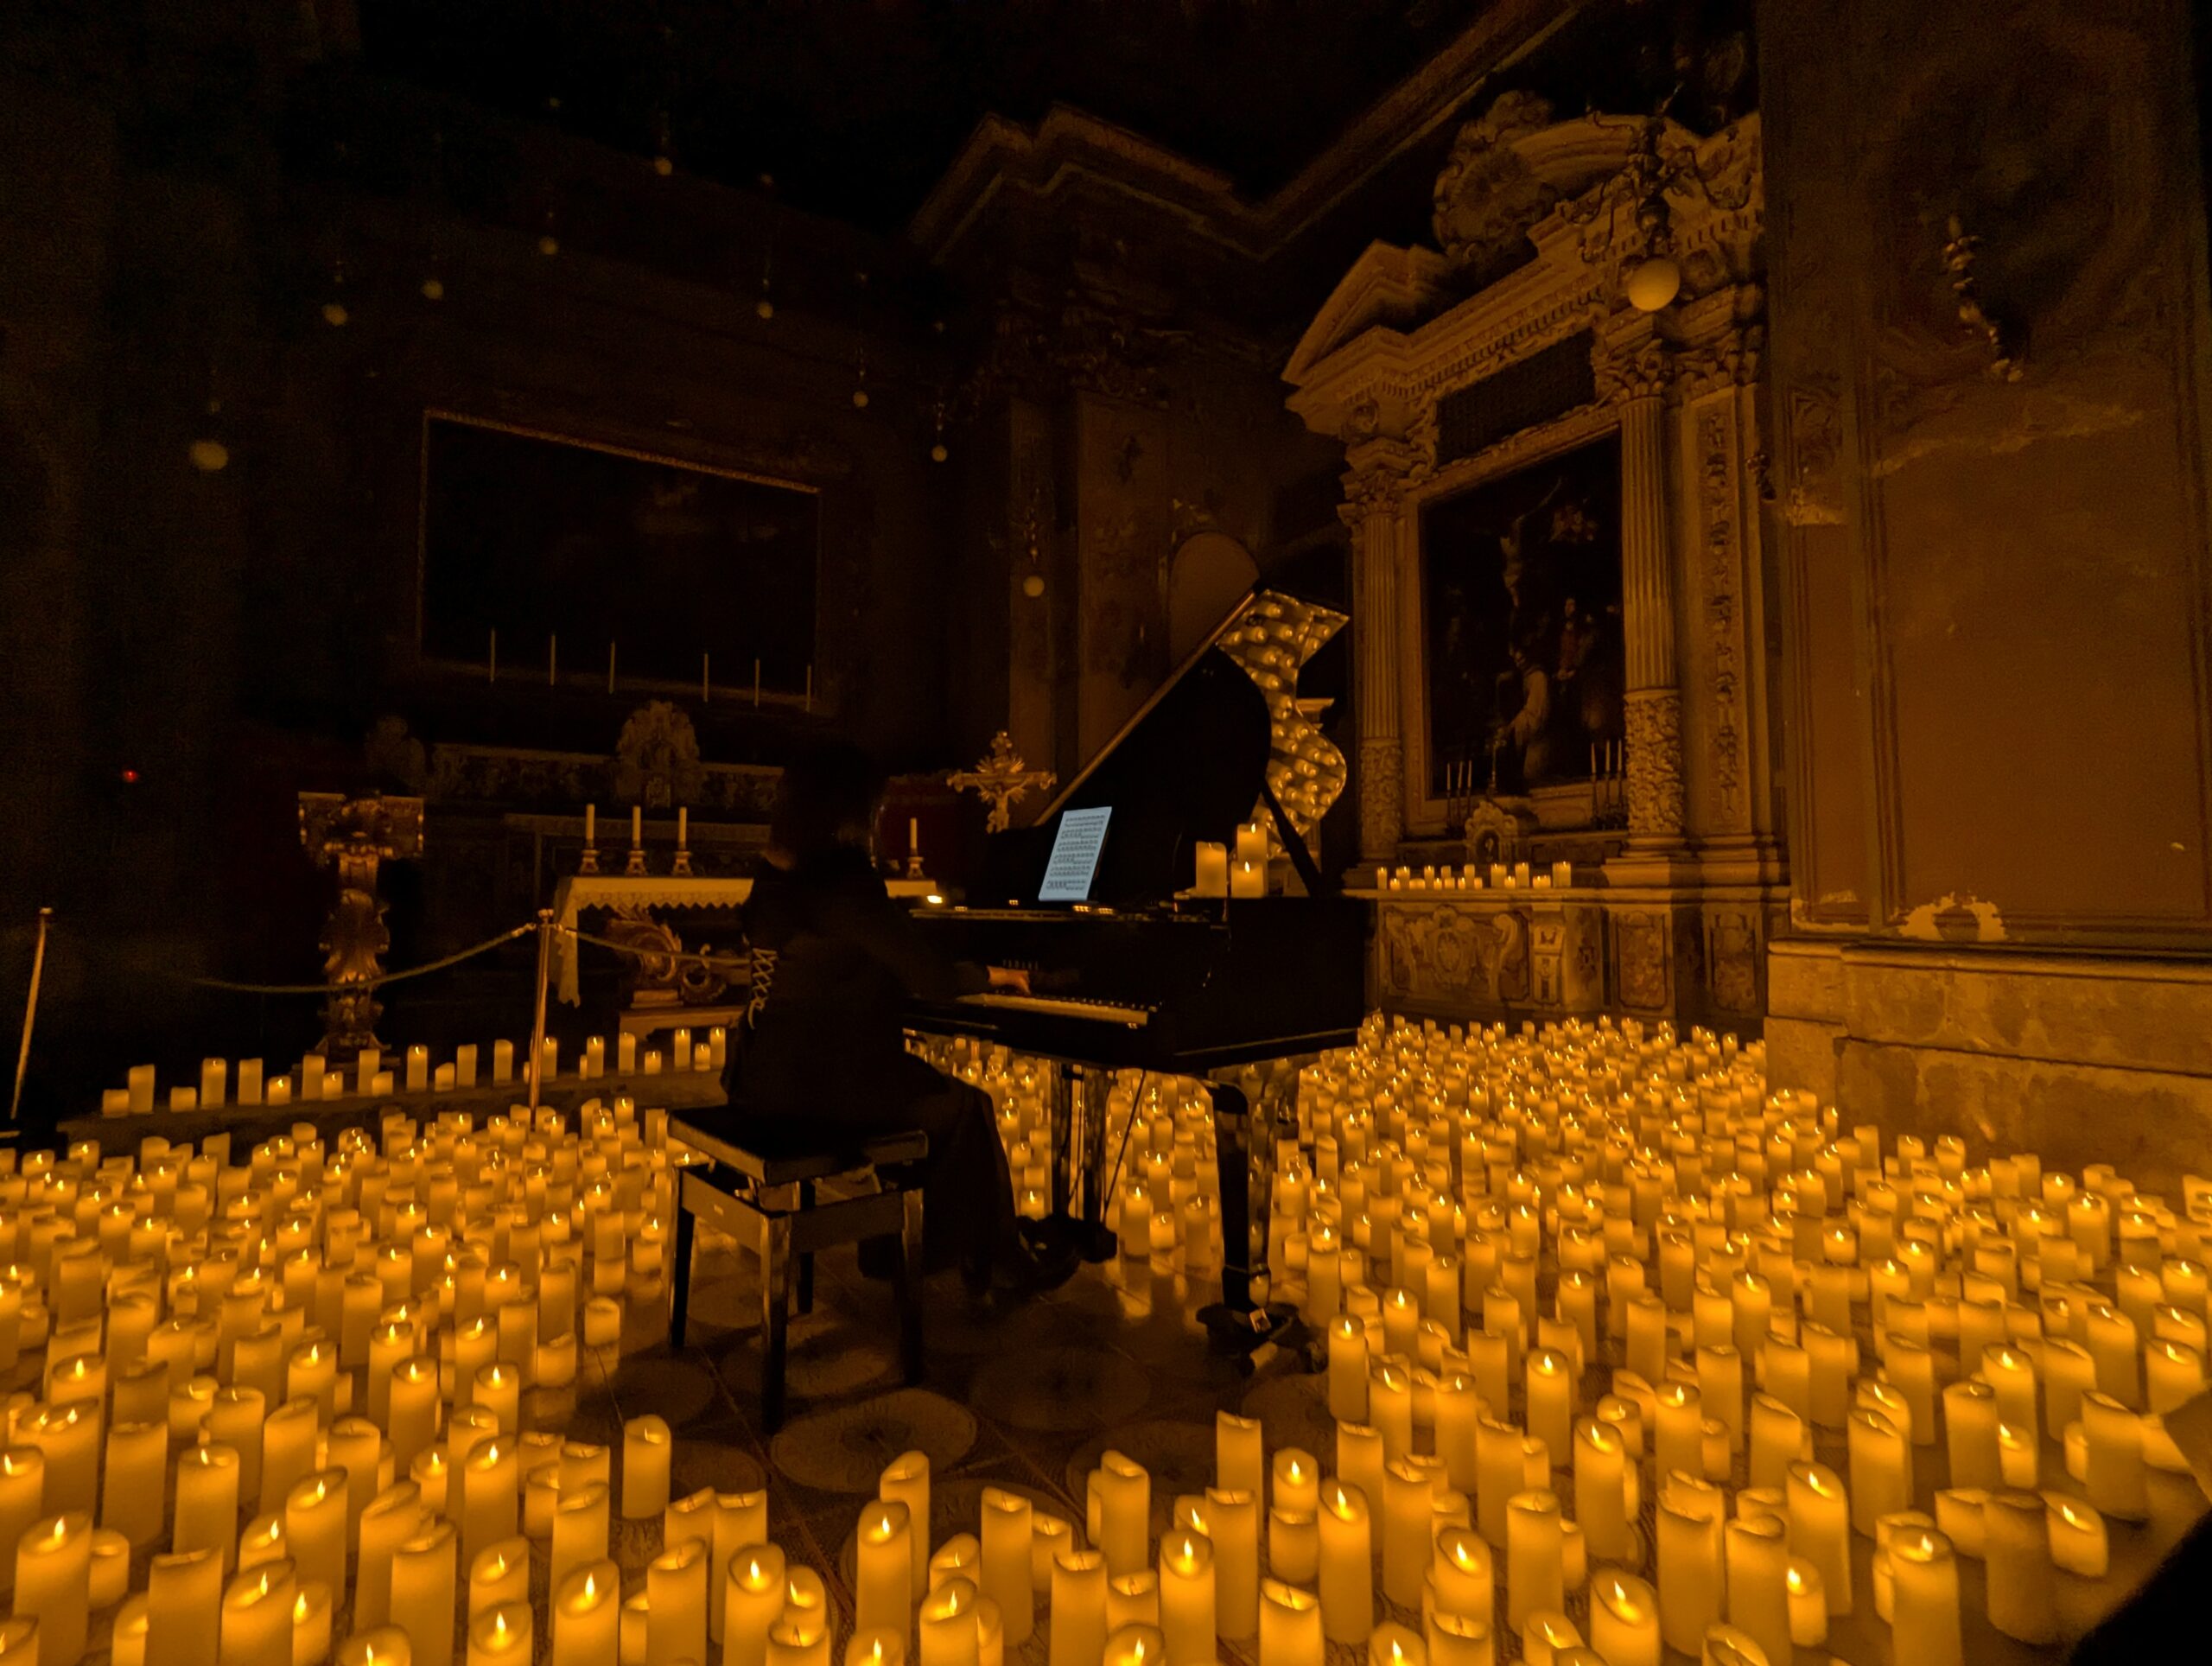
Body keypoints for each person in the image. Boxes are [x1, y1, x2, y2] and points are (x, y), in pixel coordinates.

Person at [723, 742, 1077, 1300]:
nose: (879, 818)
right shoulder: (844, 885)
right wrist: (993, 974)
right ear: (850, 811)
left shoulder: (777, 875)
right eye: (875, 808)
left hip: (758, 1077)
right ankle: (993, 1255)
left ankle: (929, 1243)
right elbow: (930, 978)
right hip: (821, 1089)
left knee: (925, 1094)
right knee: (966, 1108)